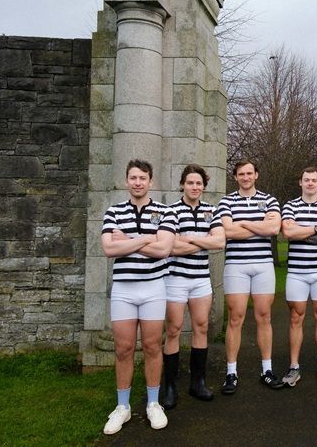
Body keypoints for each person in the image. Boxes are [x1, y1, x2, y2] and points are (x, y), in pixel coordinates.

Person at [100, 159, 176, 435]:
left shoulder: (165, 212)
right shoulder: (113, 211)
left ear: (151, 181)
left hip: (154, 287)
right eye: (133, 178)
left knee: (154, 346)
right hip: (124, 288)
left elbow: (164, 250)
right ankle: (123, 407)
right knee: (123, 349)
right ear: (126, 180)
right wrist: (147, 239)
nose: (138, 182)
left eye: (142, 178)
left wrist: (129, 240)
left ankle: (154, 403)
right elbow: (109, 249)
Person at [216, 160, 284, 394]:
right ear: (235, 177)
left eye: (249, 173)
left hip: (263, 265)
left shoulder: (270, 200)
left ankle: (267, 370)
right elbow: (228, 231)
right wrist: (258, 224)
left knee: (264, 316)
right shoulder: (226, 201)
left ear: (256, 174)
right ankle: (231, 372)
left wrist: (242, 222)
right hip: (236, 265)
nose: (245, 177)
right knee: (236, 317)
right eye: (241, 174)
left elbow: (273, 229)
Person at [161, 164, 226, 409]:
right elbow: (170, 247)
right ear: (182, 185)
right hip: (175, 278)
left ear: (204, 186)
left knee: (201, 326)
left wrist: (187, 239)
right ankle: (170, 386)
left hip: (201, 279)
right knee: (174, 329)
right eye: (190, 183)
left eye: (199, 183)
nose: (195, 187)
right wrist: (203, 242)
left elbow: (219, 241)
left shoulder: (212, 211)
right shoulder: (171, 211)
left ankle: (198, 382)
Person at [280, 167, 317, 386]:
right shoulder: (290, 206)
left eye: (314, 180)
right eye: (306, 180)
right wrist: (316, 228)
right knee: (296, 317)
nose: (310, 183)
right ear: (300, 182)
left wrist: (302, 233)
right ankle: (294, 367)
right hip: (297, 273)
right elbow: (287, 233)